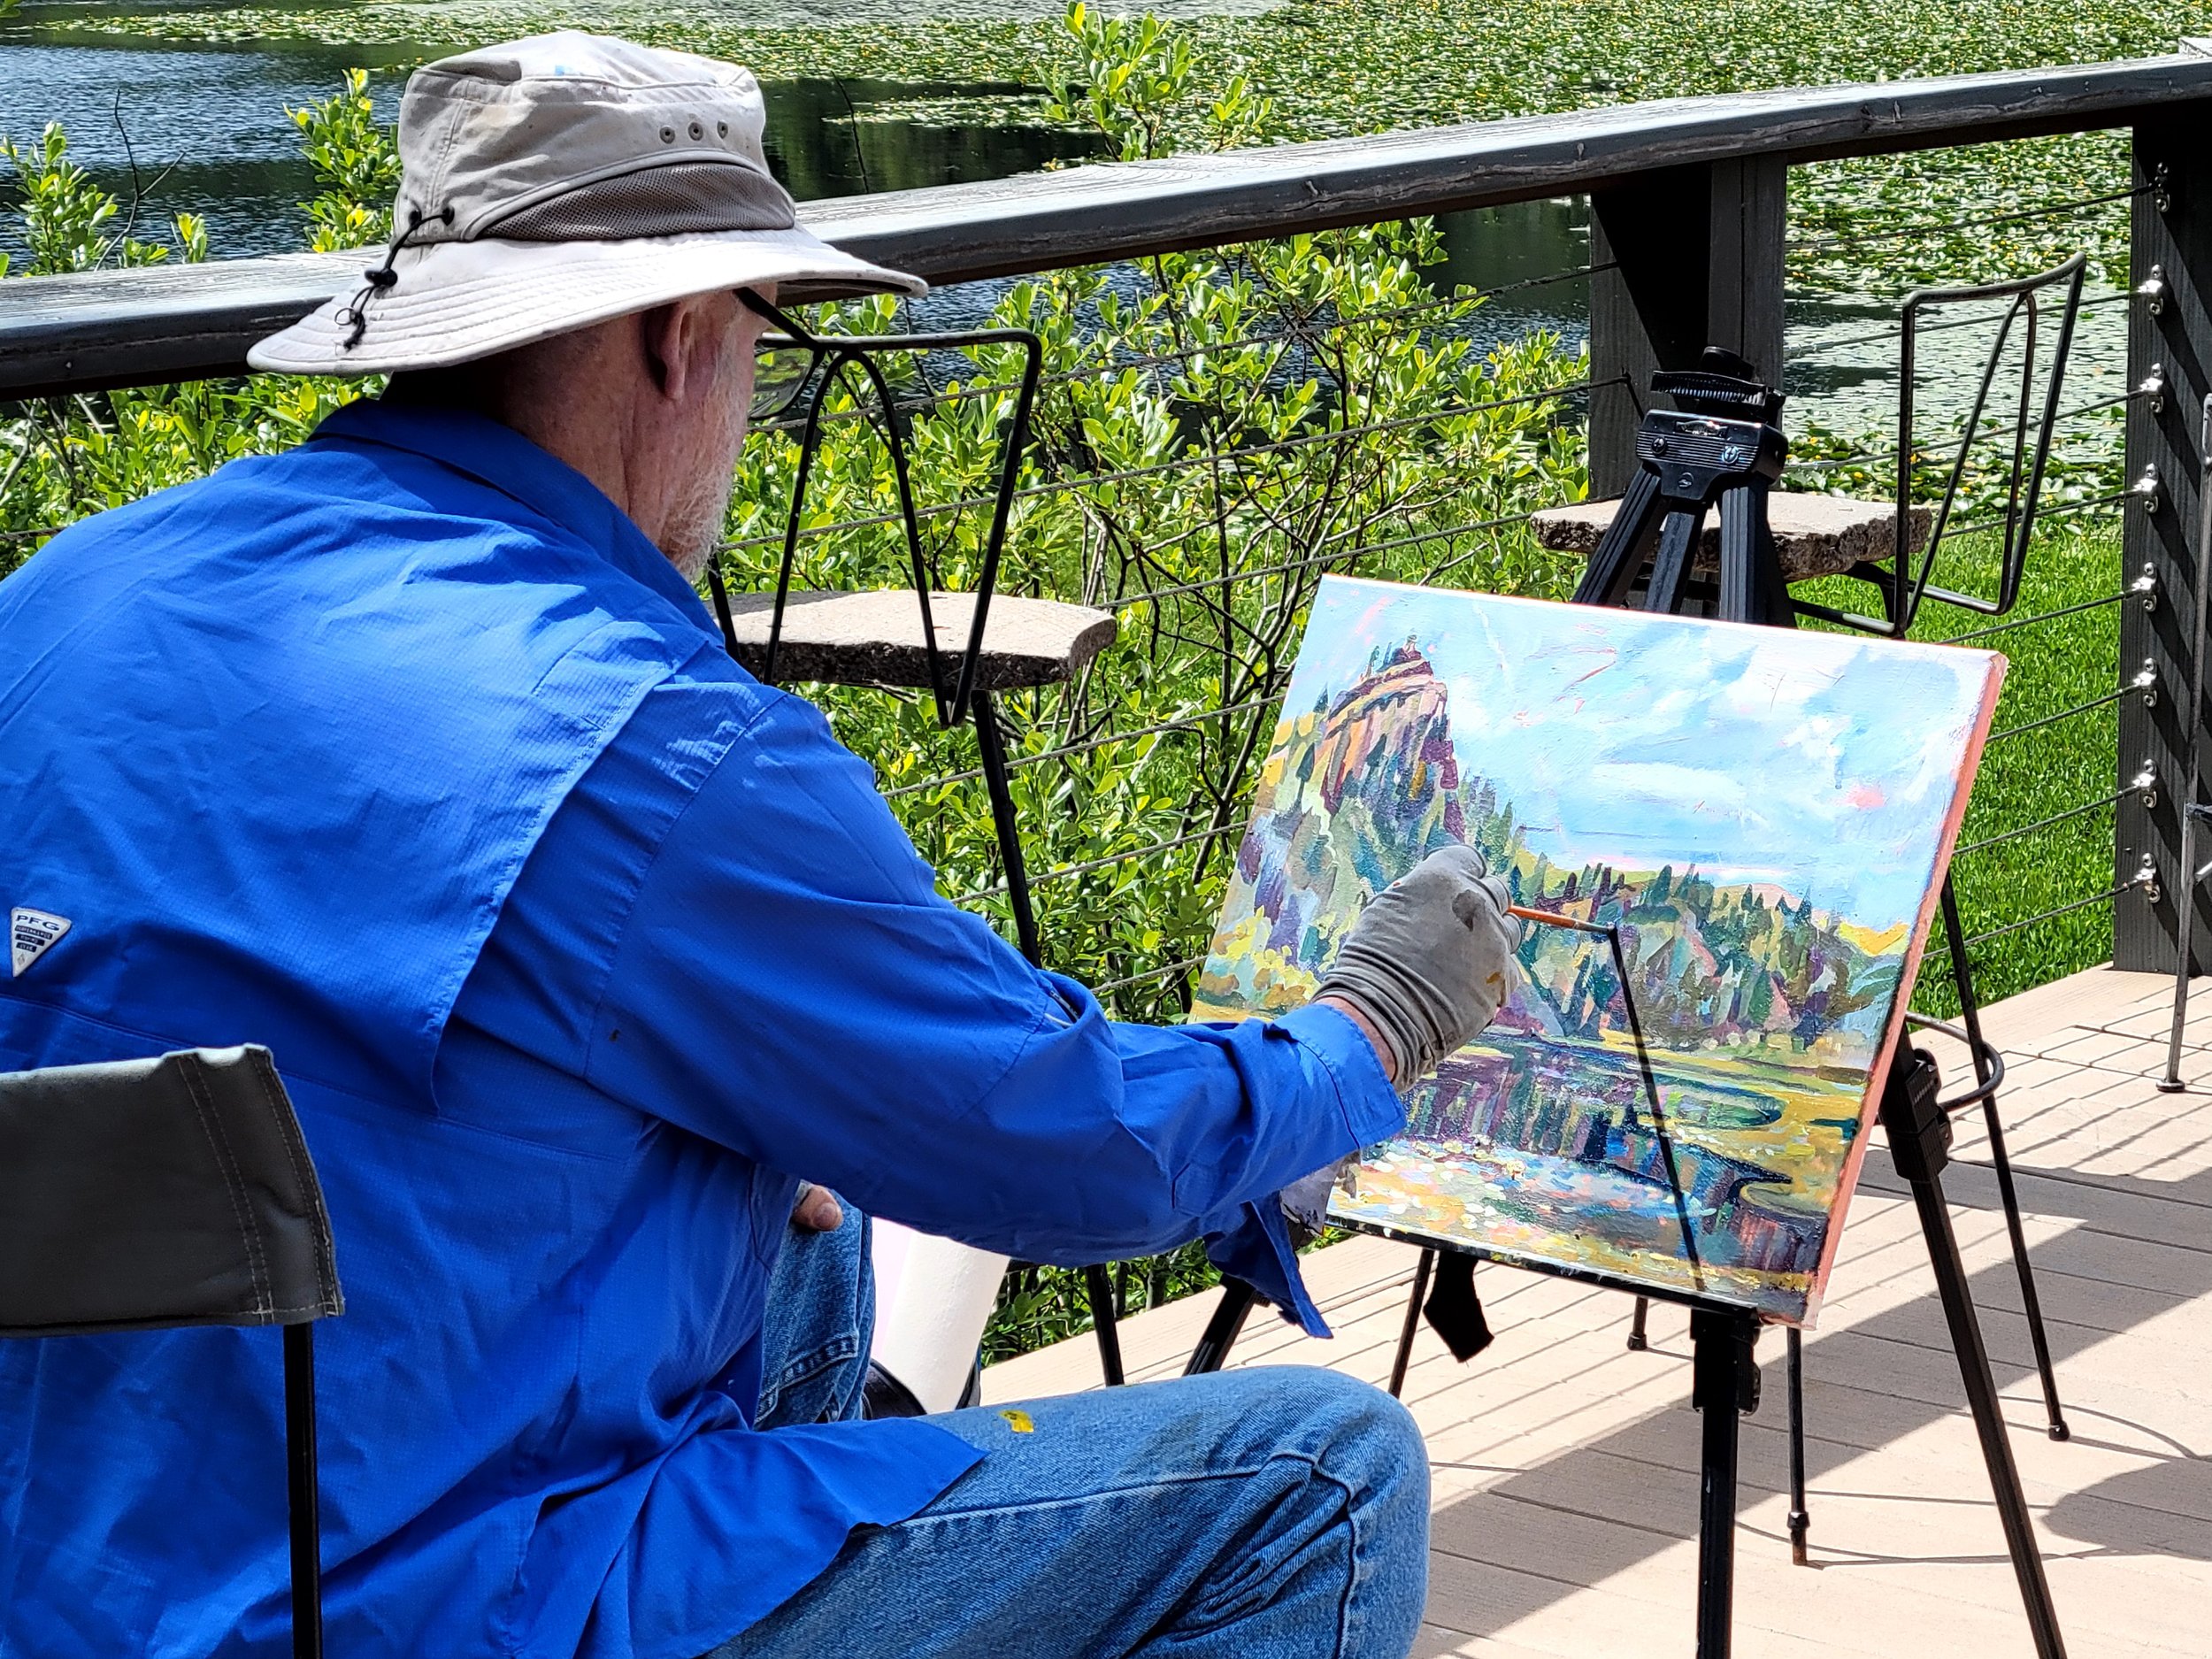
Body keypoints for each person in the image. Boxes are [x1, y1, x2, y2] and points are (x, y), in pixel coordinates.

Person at [0, 33, 1519, 1659]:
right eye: (758, 339)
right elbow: (1068, 1144)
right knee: (1324, 1475)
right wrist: (1368, 1035)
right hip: (426, 1596)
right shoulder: (652, 744)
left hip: (76, 1573)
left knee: (795, 1211)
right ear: (676, 341)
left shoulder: (64, 600)